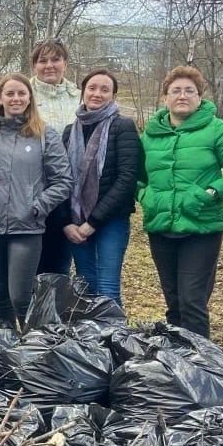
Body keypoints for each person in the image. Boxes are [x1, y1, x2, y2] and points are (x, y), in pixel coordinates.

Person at [140, 66, 223, 338]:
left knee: (192, 301)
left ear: (199, 96)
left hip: (200, 227)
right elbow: (136, 177)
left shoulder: (217, 130)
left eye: (190, 90)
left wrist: (209, 193)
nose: (182, 95)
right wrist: (147, 198)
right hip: (160, 226)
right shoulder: (150, 134)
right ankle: (177, 361)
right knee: (173, 300)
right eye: (175, 90)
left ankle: (201, 366)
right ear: (164, 97)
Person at [0, 74, 73, 330]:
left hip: (27, 228)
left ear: (30, 97)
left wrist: (37, 206)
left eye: (21, 93)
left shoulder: (44, 135)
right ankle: (6, 349)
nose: (16, 98)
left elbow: (63, 181)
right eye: (10, 94)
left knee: (20, 296)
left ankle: (33, 346)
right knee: (1, 298)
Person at [62, 69, 143, 305]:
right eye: (92, 88)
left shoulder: (123, 127)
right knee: (85, 286)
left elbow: (127, 178)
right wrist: (67, 222)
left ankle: (113, 341)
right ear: (83, 92)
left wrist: (93, 222)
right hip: (75, 222)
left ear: (113, 96)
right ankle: (89, 341)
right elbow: (60, 179)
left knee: (107, 289)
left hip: (111, 221)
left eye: (104, 90)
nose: (97, 94)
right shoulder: (70, 131)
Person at [29, 40, 81, 276]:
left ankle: (55, 311)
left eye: (55, 60)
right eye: (43, 61)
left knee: (59, 265)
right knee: (30, 264)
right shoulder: (23, 95)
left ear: (65, 64)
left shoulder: (79, 99)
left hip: (70, 193)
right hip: (32, 191)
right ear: (34, 66)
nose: (49, 66)